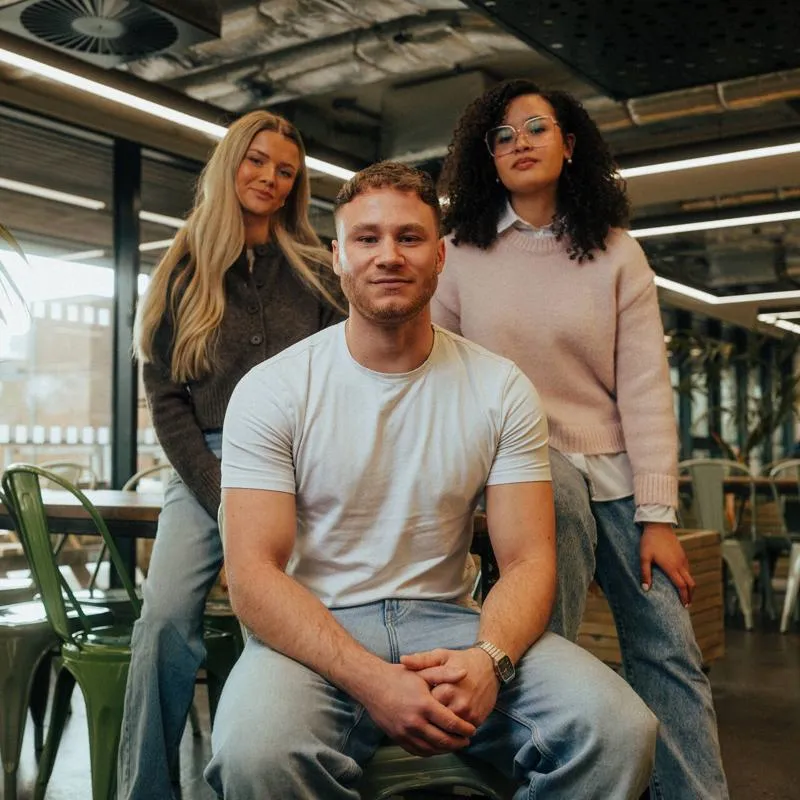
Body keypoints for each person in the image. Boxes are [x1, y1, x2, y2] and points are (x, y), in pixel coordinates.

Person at [204, 161, 657, 799]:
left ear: (440, 255)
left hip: (451, 623)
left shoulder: (499, 387)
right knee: (257, 757)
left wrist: (489, 660)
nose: (389, 255)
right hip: (317, 631)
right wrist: (370, 679)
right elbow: (253, 575)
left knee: (618, 730)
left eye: (410, 237)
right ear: (337, 256)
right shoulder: (273, 390)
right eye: (367, 238)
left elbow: (529, 560)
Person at [432, 79, 728, 799]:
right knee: (543, 642)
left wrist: (658, 518)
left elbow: (645, 390)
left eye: (536, 128)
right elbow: (438, 378)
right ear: (486, 158)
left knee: (671, 650)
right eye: (502, 136)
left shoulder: (617, 253)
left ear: (569, 145)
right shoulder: (457, 254)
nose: (520, 144)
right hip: (519, 469)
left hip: (616, 474)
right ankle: (549, 776)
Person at [118, 110, 344, 799]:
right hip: (205, 464)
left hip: (300, 462)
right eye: (258, 161)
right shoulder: (182, 269)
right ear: (230, 164)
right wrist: (220, 493)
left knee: (285, 622)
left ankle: (263, 775)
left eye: (286, 171)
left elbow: (347, 375)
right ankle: (146, 790)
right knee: (162, 621)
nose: (271, 178)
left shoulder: (316, 270)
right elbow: (166, 400)